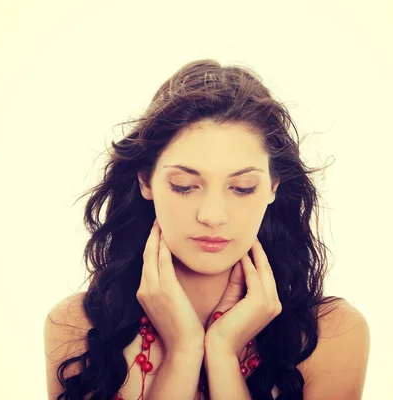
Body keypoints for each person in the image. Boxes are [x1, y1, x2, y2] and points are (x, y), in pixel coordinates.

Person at [43, 59, 370, 400]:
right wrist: (183, 351)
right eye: (184, 185)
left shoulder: (334, 333)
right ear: (146, 181)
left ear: (273, 187)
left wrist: (223, 352)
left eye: (242, 187)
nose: (213, 215)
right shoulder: (76, 326)